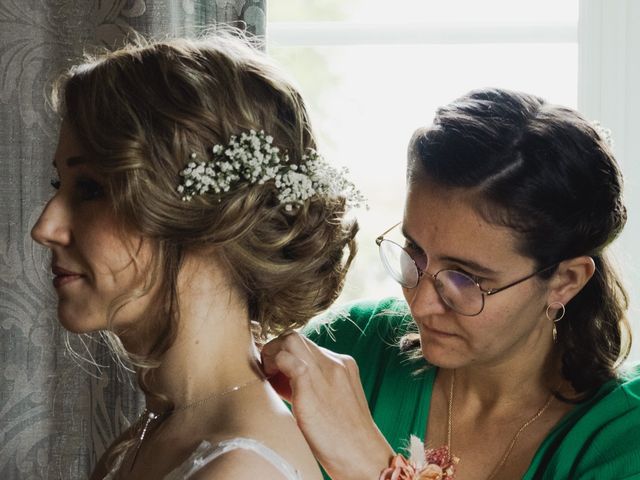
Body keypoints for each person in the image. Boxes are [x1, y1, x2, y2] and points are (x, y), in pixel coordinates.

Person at [262, 88, 640, 480]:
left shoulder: (625, 440)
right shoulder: (348, 346)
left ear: (565, 281)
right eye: (415, 252)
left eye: (466, 278)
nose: (421, 304)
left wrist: (368, 464)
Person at [31, 33, 361, 480]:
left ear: (205, 220)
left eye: (90, 189)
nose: (45, 229)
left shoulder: (238, 470)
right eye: (60, 187)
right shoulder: (151, 433)